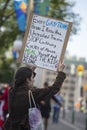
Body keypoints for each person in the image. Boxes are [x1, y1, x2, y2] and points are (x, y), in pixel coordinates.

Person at [4, 62, 66, 130]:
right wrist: (60, 72)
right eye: (32, 77)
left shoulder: (11, 91)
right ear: (27, 80)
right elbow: (54, 88)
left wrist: (31, 71)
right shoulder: (31, 93)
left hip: (10, 127)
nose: (34, 80)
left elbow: (22, 79)